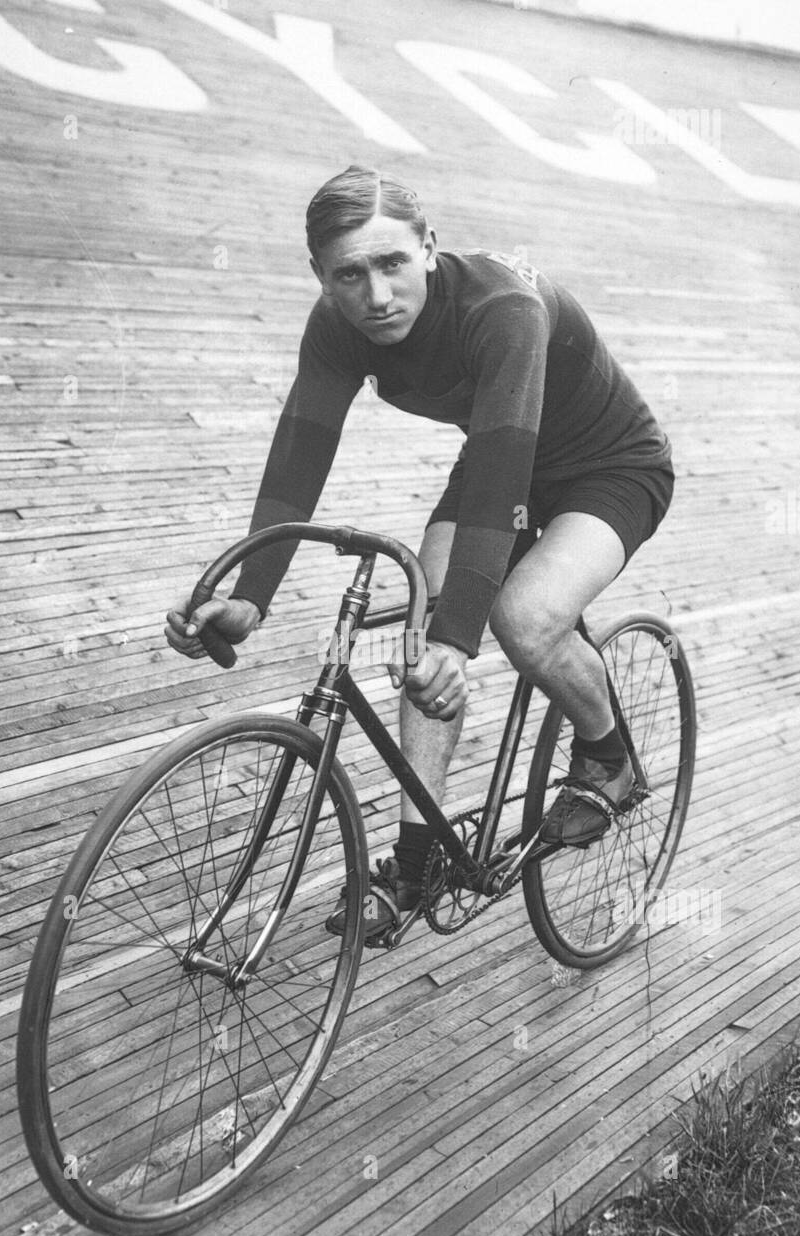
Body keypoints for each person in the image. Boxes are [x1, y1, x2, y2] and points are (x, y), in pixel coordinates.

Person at [165, 165, 674, 942]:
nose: (375, 296)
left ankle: (608, 755)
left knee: (523, 618)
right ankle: (419, 857)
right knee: (420, 635)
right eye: (350, 274)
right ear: (320, 277)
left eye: (392, 263)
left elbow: (503, 476)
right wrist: (250, 596)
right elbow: (299, 454)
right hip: (501, 457)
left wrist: (455, 638)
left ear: (429, 247)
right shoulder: (335, 325)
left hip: (607, 467)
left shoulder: (502, 310)